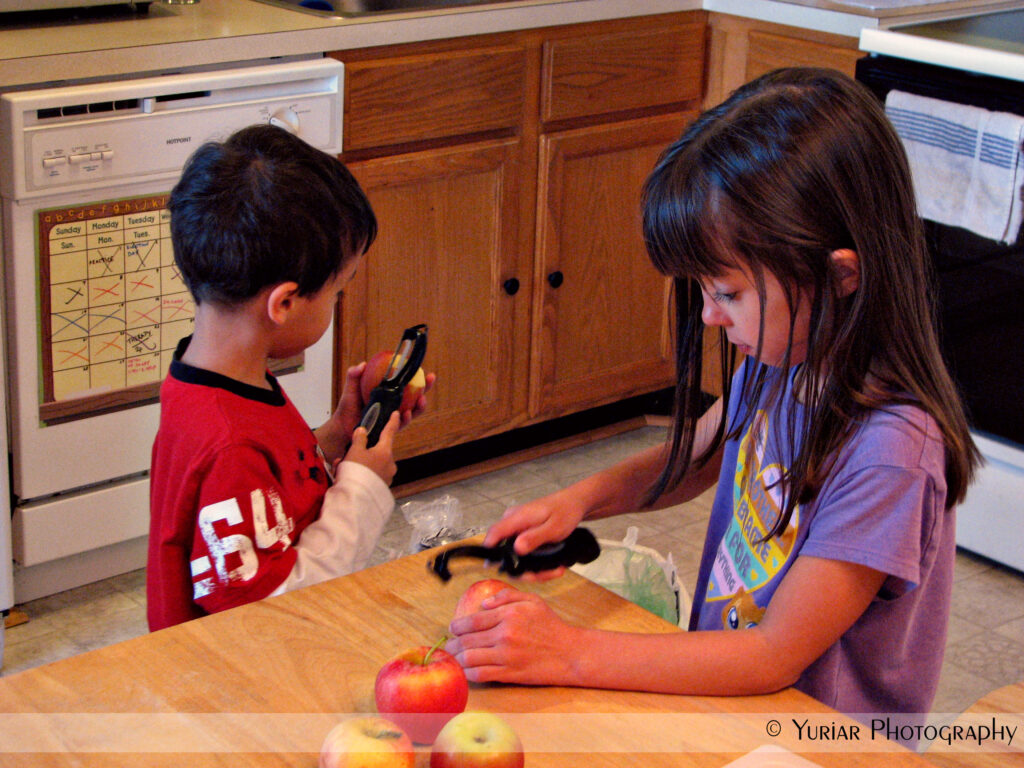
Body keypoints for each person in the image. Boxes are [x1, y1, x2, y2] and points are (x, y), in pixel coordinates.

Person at [446, 69, 980, 722]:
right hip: (732, 713)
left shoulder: (891, 454)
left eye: (727, 293)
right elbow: (698, 459)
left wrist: (571, 651)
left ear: (840, 276)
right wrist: (577, 500)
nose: (709, 317)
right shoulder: (783, 357)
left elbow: (772, 655)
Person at [147, 124, 430, 631]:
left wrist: (332, 441)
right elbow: (271, 611)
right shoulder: (229, 443)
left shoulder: (211, 381)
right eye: (338, 291)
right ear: (284, 302)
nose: (339, 303)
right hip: (239, 688)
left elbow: (267, 497)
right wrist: (363, 487)